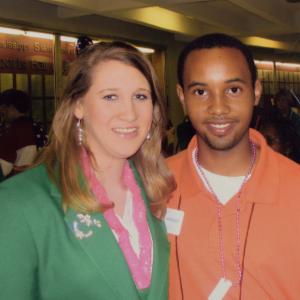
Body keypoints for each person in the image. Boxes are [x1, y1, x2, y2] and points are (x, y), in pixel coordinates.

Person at [0, 42, 175, 300]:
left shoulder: (158, 189)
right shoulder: (19, 202)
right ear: (78, 106)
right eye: (110, 96)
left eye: (140, 96)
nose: (130, 114)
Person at [167, 33, 300, 299]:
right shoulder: (154, 185)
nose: (218, 107)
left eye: (233, 89)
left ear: (256, 91)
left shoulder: (295, 186)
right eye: (201, 91)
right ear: (182, 96)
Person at [0, 89, 37, 178]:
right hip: (36, 182)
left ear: (11, 108)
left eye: (3, 108)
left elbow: (2, 168)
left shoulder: (13, 132)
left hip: (16, 184)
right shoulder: (37, 128)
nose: (1, 111)